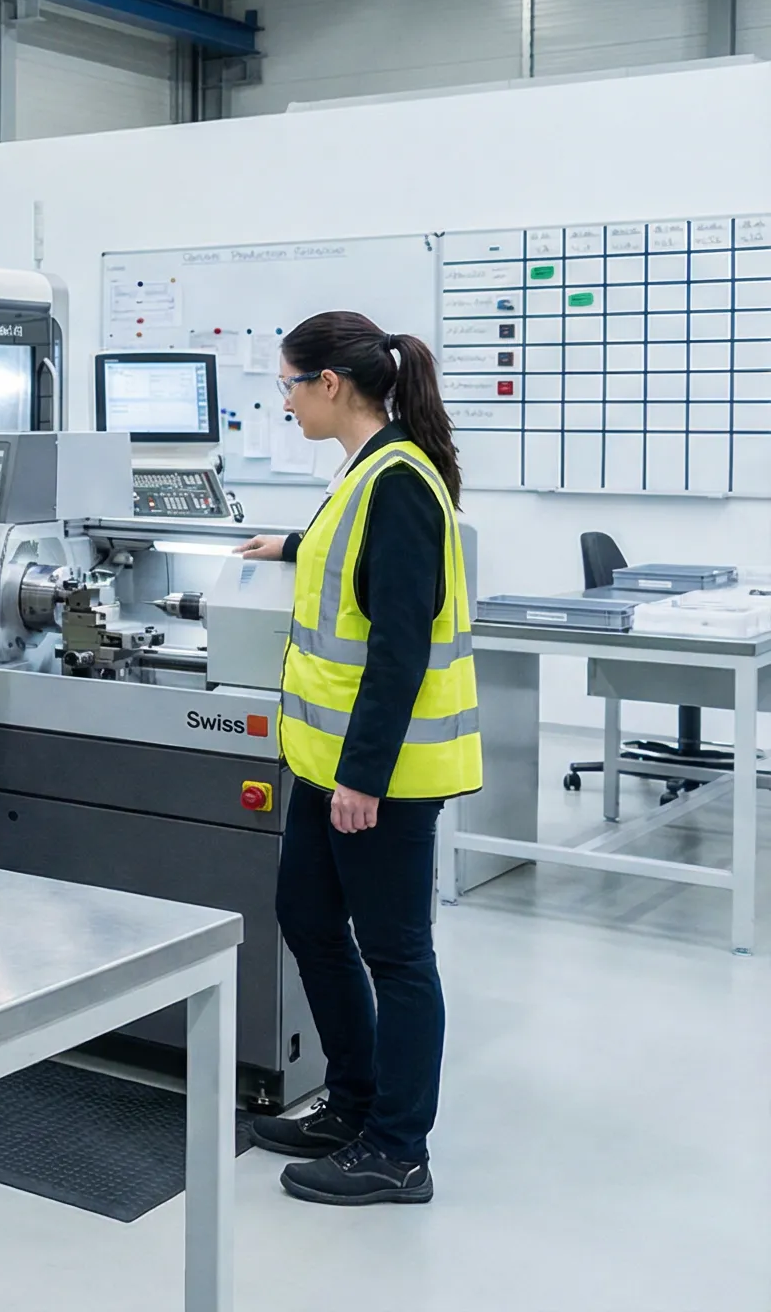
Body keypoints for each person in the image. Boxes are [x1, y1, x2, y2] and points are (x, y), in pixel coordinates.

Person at [234, 309, 479, 1208]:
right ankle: (353, 1102)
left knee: (398, 954)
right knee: (305, 917)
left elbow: (401, 645)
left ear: (329, 385)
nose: (287, 401)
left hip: (383, 774)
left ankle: (398, 1149)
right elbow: (362, 574)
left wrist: (365, 777)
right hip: (322, 761)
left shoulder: (402, 480)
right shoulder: (366, 472)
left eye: (289, 385)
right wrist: (290, 546)